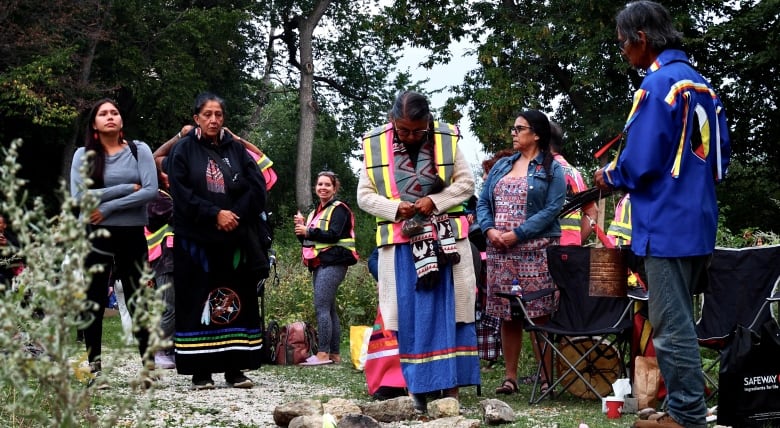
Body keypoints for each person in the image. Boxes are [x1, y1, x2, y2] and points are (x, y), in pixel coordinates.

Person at [594, 2, 730, 427]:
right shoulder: (704, 87)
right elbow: (720, 166)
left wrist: (610, 173)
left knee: (670, 328)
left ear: (642, 39)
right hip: (698, 220)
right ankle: (680, 408)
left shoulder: (658, 86)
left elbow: (642, 161)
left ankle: (688, 416)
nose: (622, 52)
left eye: (622, 44)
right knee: (681, 320)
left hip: (666, 224)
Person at [357, 90, 480, 412]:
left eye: (418, 130)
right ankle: (417, 387)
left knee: (450, 311)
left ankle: (450, 387)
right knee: (410, 316)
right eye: (404, 130)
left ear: (428, 122)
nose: (411, 136)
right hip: (400, 246)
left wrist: (434, 201)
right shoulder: (374, 145)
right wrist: (395, 208)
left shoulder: (447, 139)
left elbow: (466, 184)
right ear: (392, 121)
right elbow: (364, 196)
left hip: (445, 244)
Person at [165, 92, 268, 390]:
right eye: (207, 114)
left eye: (218, 115)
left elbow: (256, 187)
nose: (213, 120)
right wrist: (214, 213)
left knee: (236, 301)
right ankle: (201, 371)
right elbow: (182, 195)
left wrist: (233, 213)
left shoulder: (236, 149)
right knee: (197, 301)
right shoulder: (182, 151)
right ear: (196, 117)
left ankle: (234, 369)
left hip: (234, 240)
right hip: (196, 243)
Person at [476, 110, 566, 396]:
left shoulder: (552, 170)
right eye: (513, 128)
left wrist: (519, 233)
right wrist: (490, 230)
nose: (513, 133)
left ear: (537, 134)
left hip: (536, 250)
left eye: (519, 129)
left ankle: (546, 379)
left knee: (539, 314)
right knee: (507, 314)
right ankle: (510, 378)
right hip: (500, 251)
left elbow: (553, 210)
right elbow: (482, 202)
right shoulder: (502, 166)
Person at [69, 98, 158, 386]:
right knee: (94, 297)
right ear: (94, 123)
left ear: (121, 121)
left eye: (114, 113)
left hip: (131, 232)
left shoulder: (138, 149)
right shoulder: (83, 156)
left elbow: (150, 191)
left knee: (137, 297)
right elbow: (78, 199)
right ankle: (95, 368)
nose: (110, 117)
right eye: (103, 114)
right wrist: (123, 189)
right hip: (95, 233)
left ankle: (149, 367)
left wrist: (106, 206)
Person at [294, 171, 359, 365]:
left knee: (321, 306)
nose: (323, 187)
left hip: (336, 260)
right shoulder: (315, 212)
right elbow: (308, 240)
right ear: (315, 187)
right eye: (320, 184)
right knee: (329, 309)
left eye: (327, 185)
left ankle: (322, 354)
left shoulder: (340, 209)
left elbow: (333, 235)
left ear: (334, 188)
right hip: (320, 261)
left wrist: (309, 230)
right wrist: (301, 229)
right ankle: (335, 354)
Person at [549, 122, 597, 245]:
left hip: (545, 251)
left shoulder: (540, 170)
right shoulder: (575, 173)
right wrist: (575, 242)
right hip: (570, 252)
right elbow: (592, 212)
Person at [0, 213, 23, 287]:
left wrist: (7, 245)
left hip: (11, 272)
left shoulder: (12, 238)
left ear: (4, 225)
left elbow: (20, 254)